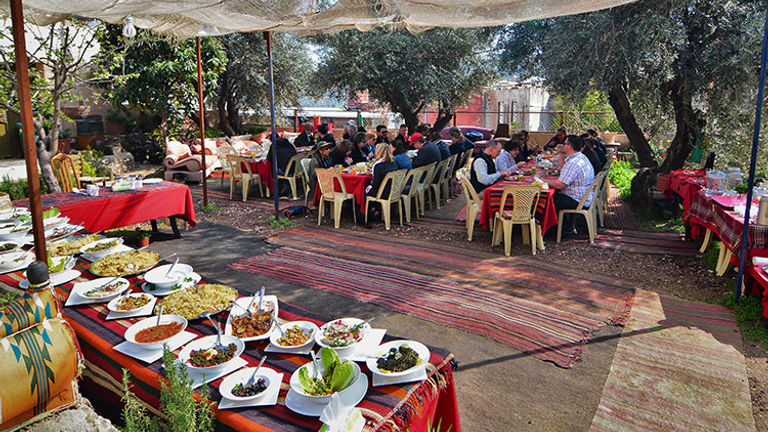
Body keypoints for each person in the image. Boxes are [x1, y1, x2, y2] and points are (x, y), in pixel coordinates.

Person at [545, 134, 595, 235]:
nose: (562, 145)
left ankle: (560, 229)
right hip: (584, 195)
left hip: (577, 199)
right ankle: (563, 226)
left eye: (564, 143)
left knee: (547, 201)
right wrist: (560, 156)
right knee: (552, 197)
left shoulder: (573, 163)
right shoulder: (579, 157)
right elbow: (564, 171)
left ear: (569, 146)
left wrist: (543, 181)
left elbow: (560, 185)